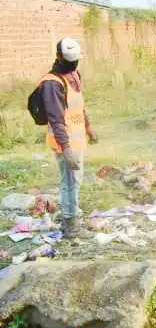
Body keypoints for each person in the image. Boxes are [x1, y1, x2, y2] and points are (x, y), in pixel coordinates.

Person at [40, 38, 98, 238]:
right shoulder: (51, 84)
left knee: (75, 179)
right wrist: (66, 149)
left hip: (77, 140)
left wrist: (88, 127)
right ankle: (70, 225)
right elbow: (56, 120)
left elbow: (79, 104)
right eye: (69, 61)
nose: (73, 64)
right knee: (70, 182)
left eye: (75, 60)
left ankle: (70, 213)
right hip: (63, 143)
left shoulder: (74, 74)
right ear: (58, 56)